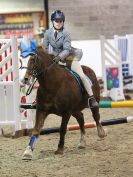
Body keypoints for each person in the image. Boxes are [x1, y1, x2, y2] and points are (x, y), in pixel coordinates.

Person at [43, 10, 98, 108]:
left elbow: (67, 49)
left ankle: (91, 97)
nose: (59, 23)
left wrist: (59, 57)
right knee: (45, 75)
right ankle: (42, 97)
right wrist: (45, 55)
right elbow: (44, 47)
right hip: (55, 58)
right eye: (57, 20)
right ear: (52, 21)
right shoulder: (47, 33)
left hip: (69, 58)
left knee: (81, 75)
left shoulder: (66, 33)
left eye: (61, 21)